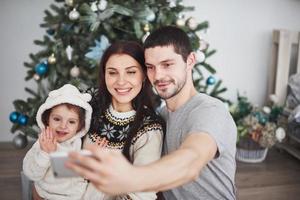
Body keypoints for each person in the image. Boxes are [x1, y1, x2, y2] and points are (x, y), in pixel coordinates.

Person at [67, 26, 237, 200]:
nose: (158, 75)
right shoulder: (161, 115)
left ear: (190, 60)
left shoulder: (210, 111)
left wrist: (129, 178)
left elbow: (191, 162)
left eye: (167, 64)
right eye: (150, 67)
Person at [81, 41, 165, 200]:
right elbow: (60, 151)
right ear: (104, 74)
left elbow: (141, 194)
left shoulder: (149, 128)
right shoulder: (88, 104)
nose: (121, 81)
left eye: (131, 72)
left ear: (144, 75)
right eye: (112, 72)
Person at [22, 84, 94, 200]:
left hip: (74, 196)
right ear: (47, 119)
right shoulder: (44, 143)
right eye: (57, 119)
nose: (63, 126)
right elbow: (31, 174)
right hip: (47, 195)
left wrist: (93, 155)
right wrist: (45, 153)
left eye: (71, 122)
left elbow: (73, 171)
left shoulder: (77, 143)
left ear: (80, 126)